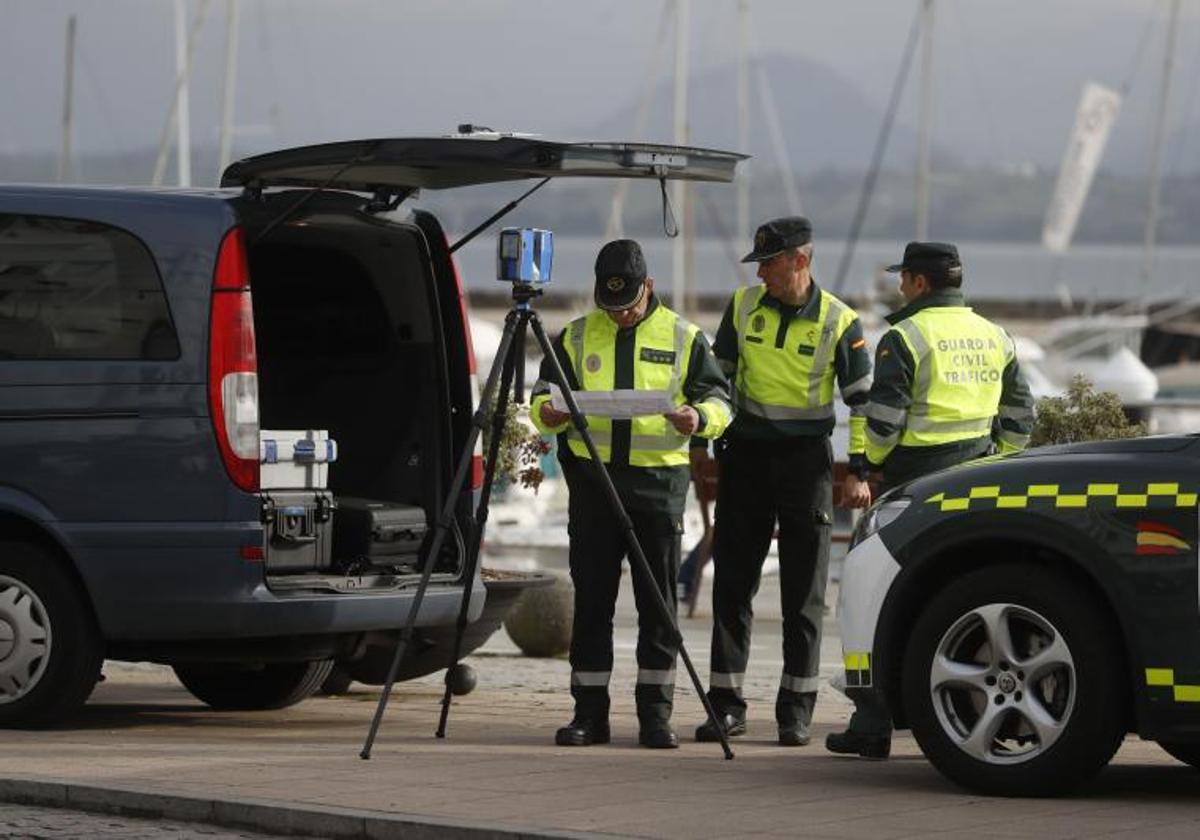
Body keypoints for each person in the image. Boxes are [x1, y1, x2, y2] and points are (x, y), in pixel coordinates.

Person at [825, 241, 1035, 760]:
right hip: (981, 479)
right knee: (969, 601)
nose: (899, 287)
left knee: (870, 597)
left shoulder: (904, 336)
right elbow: (1021, 414)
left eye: (904, 279)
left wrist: (869, 466)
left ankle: (871, 722)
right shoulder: (996, 335)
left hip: (912, 484)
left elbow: (885, 421)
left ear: (919, 282)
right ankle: (972, 714)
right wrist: (998, 461)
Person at [530, 239, 733, 749]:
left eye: (630, 305)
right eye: (611, 306)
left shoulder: (686, 338)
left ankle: (655, 718)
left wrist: (699, 418)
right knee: (593, 602)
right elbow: (538, 397)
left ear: (650, 288)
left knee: (657, 606)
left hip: (657, 487)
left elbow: (720, 400)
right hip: (594, 485)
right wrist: (545, 414)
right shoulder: (573, 336)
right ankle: (589, 716)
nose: (620, 315)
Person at [693, 216, 873, 748]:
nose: (762, 272)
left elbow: (860, 402)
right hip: (744, 458)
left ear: (801, 260)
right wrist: (704, 440)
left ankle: (795, 712)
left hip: (805, 464)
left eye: (769, 262)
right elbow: (715, 379)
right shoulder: (743, 305)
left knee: (803, 595)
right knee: (732, 585)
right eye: (760, 263)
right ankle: (726, 706)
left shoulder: (841, 321)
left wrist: (858, 469)